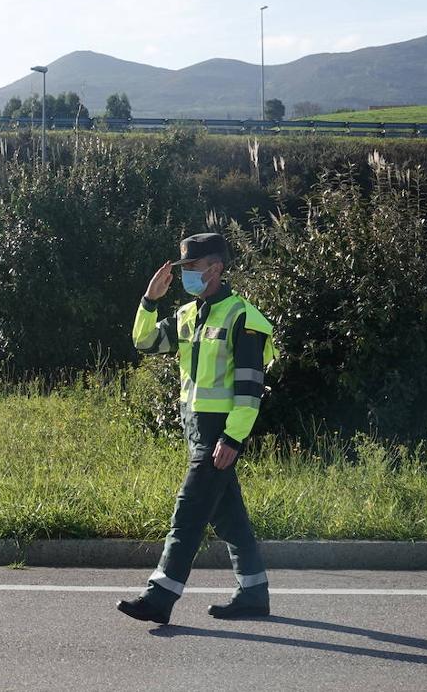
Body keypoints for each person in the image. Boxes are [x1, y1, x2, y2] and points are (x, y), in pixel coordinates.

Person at [119, 232, 277, 624]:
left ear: (216, 268)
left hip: (219, 432)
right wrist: (150, 300)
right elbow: (145, 342)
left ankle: (160, 596)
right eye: (184, 268)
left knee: (188, 513)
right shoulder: (190, 314)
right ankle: (254, 593)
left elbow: (250, 387)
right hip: (195, 428)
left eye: (192, 267)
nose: (186, 274)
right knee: (228, 518)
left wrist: (233, 437)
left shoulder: (243, 318)